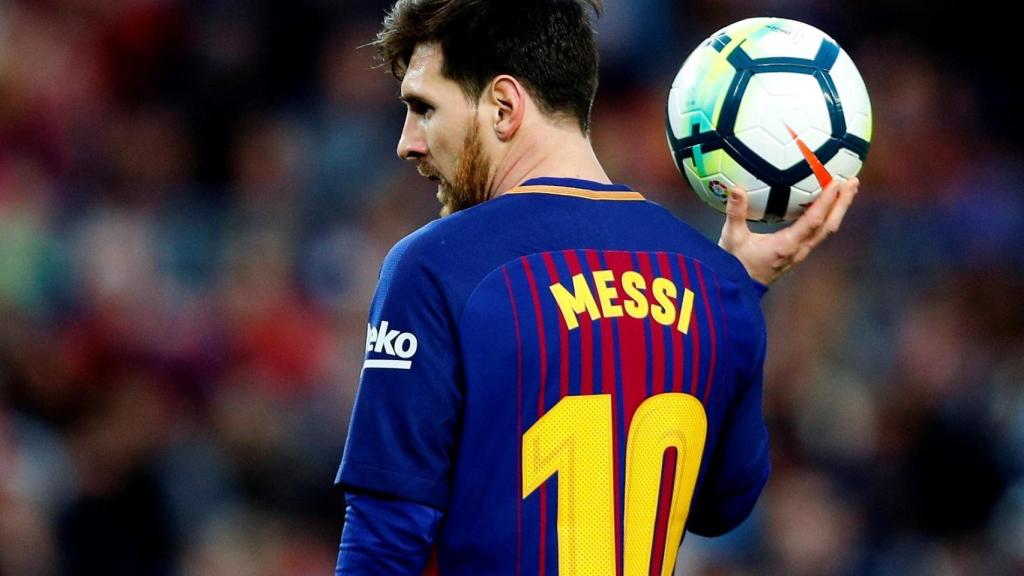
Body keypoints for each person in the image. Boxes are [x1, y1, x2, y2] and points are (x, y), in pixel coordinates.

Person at [334, 1, 859, 574]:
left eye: (423, 108)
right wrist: (736, 289)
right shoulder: (716, 285)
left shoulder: (435, 266)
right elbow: (721, 506)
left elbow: (385, 536)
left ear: (504, 106)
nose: (407, 143)